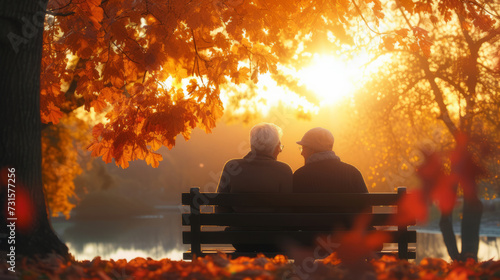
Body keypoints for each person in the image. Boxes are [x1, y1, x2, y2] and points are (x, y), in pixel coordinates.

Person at [215, 122, 293, 252]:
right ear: (274, 147)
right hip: (273, 241)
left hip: (240, 240)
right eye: (279, 146)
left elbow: (220, 213)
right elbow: (287, 215)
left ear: (251, 145)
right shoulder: (284, 170)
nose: (280, 150)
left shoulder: (232, 167)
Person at [293, 127, 369, 230]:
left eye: (303, 148)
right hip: (346, 241)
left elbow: (293, 214)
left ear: (312, 150)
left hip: (311, 241)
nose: (301, 153)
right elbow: (366, 208)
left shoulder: (299, 176)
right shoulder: (352, 173)